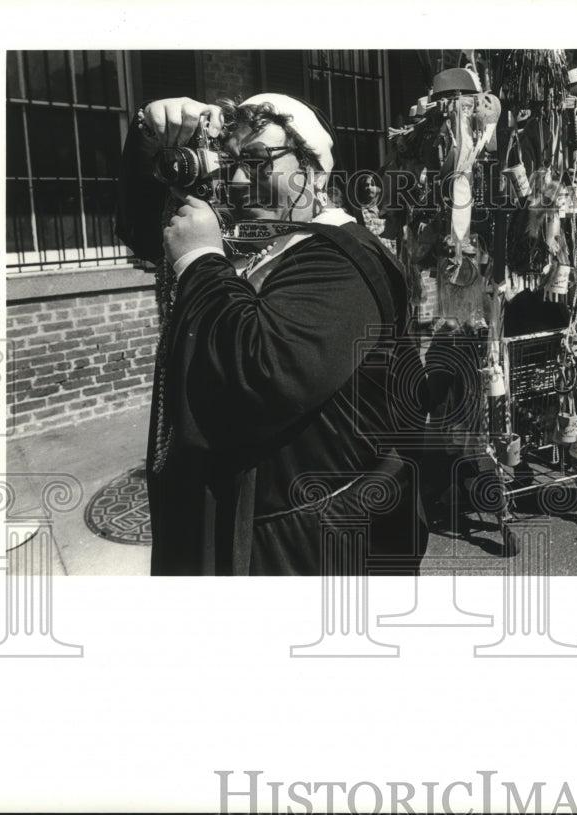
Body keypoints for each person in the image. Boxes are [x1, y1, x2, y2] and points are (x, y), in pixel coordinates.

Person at [116, 94, 428, 576]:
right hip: (243, 525)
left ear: (314, 172)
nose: (240, 182)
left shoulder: (340, 258)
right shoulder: (259, 239)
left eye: (260, 163)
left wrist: (199, 260)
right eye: (232, 163)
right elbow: (141, 228)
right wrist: (148, 137)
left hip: (306, 548)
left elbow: (264, 377)